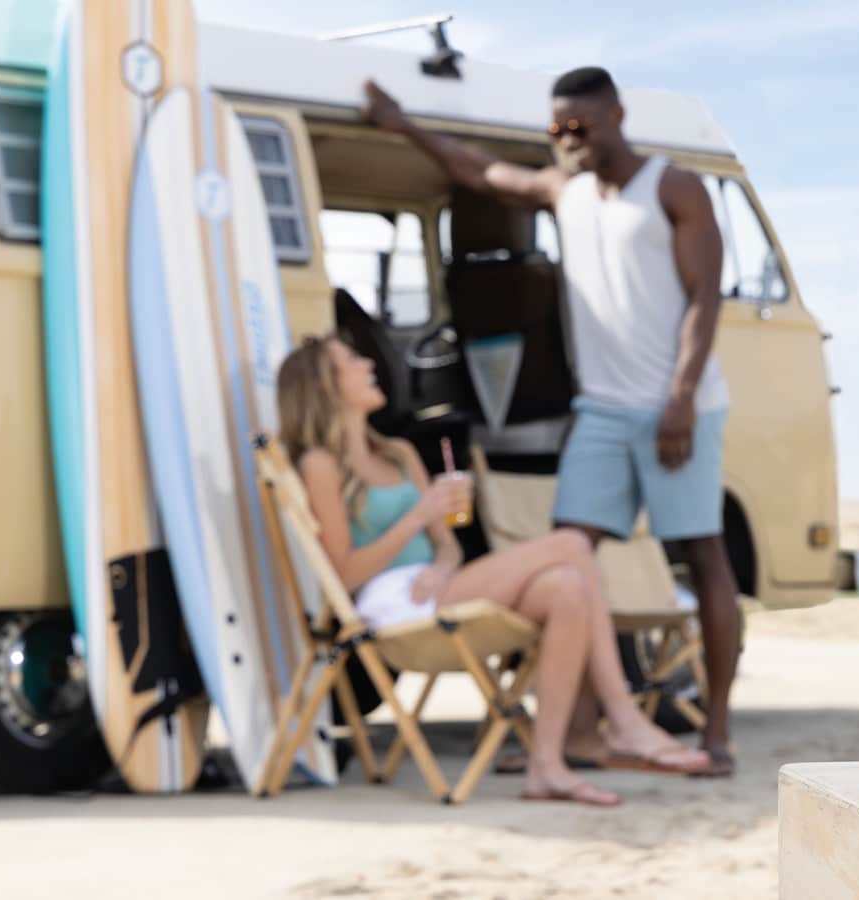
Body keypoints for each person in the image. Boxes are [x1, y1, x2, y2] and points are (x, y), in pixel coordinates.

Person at [363, 65, 741, 776]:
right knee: (568, 553)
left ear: (616, 116)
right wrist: (402, 124)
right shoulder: (564, 192)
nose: (567, 139)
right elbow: (479, 171)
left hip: (677, 406)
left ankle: (716, 734)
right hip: (600, 411)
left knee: (703, 554)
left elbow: (705, 299)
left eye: (579, 126)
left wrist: (682, 397)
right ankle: (580, 732)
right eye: (556, 129)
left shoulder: (673, 188)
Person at [276, 335, 710, 806]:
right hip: (392, 605)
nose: (368, 364)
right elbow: (343, 574)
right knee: (570, 544)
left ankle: (547, 767)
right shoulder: (321, 465)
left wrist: (442, 567)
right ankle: (623, 718)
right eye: (352, 361)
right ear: (325, 385)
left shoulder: (398, 453)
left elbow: (447, 546)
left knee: (566, 585)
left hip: (436, 589)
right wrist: (417, 517)